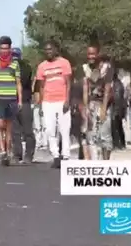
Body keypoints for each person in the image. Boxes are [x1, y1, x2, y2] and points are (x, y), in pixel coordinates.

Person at [0, 36, 22, 166]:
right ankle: (2, 151)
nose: (4, 51)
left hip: (11, 98)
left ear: (10, 49)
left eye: (6, 48)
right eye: (2, 48)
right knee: (0, 125)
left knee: (8, 127)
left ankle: (6, 151)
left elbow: (18, 83)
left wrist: (20, 100)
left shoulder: (15, 64)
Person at [35, 40, 72, 168]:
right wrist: (40, 104)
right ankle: (56, 155)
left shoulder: (64, 63)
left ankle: (65, 155)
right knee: (50, 129)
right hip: (48, 101)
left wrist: (67, 100)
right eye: (46, 50)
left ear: (55, 50)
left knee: (64, 129)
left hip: (62, 100)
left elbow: (68, 83)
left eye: (50, 49)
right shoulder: (42, 66)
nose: (48, 52)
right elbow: (41, 87)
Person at [82, 44, 114, 160]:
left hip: (103, 103)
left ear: (98, 55)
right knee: (91, 134)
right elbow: (86, 89)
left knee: (105, 134)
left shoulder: (107, 68)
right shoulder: (85, 68)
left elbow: (107, 89)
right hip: (91, 103)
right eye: (88, 54)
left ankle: (106, 162)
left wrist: (104, 109)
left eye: (93, 54)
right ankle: (93, 162)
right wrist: (86, 108)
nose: (90, 56)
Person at [11, 47, 36, 164]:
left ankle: (29, 155)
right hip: (12, 101)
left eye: (15, 56)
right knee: (15, 131)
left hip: (24, 101)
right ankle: (17, 155)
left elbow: (24, 80)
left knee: (27, 130)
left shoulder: (25, 67)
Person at [111, 70, 126, 149]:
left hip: (116, 108)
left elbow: (116, 97)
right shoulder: (119, 83)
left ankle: (118, 144)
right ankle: (122, 144)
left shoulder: (116, 84)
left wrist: (115, 110)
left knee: (115, 127)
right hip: (118, 108)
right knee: (119, 127)